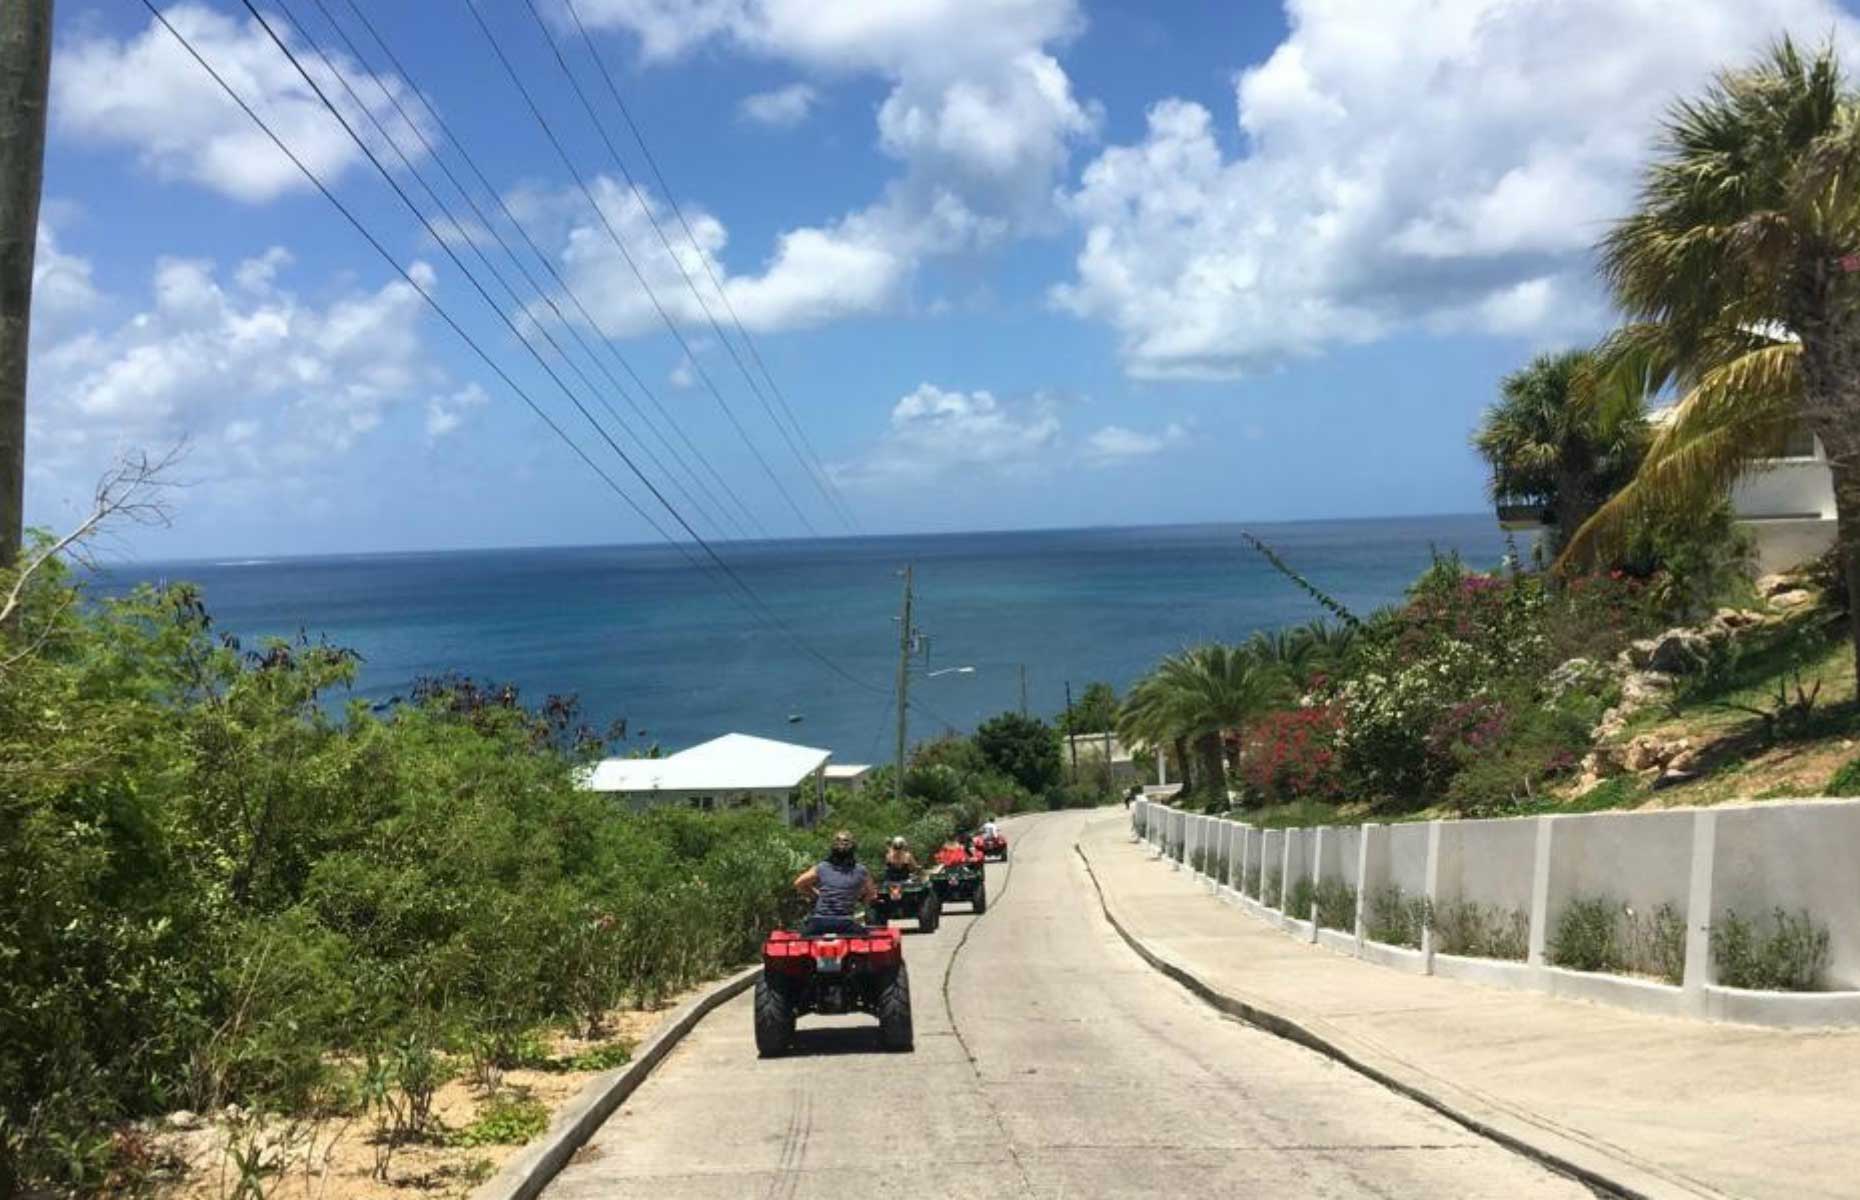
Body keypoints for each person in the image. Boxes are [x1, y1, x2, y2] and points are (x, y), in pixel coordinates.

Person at [793, 829, 876, 936]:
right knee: (866, 939)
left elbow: (798, 883)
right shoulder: (861, 871)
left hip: (819, 922)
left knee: (802, 941)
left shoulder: (821, 867)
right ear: (853, 849)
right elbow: (871, 894)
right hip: (846, 923)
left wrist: (815, 895)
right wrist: (860, 900)